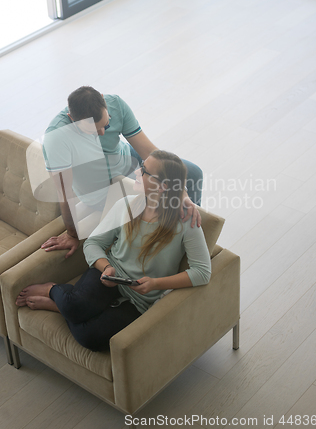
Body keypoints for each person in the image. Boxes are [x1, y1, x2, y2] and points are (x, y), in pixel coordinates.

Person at [16, 151, 211, 352]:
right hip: (109, 273)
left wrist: (156, 284)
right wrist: (106, 267)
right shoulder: (125, 206)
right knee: (75, 307)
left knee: (90, 337)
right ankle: (53, 289)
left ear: (163, 186)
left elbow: (202, 272)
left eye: (144, 171)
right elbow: (93, 243)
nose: (137, 171)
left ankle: (59, 306)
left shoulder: (187, 223)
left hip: (141, 299)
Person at [41, 86, 203, 258]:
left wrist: (182, 193)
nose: (102, 133)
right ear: (72, 119)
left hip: (127, 160)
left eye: (106, 124)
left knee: (192, 173)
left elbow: (148, 151)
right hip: (104, 188)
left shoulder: (115, 104)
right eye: (92, 132)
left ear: (104, 100)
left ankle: (194, 230)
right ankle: (175, 246)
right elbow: (64, 194)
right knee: (158, 200)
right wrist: (73, 235)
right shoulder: (57, 138)